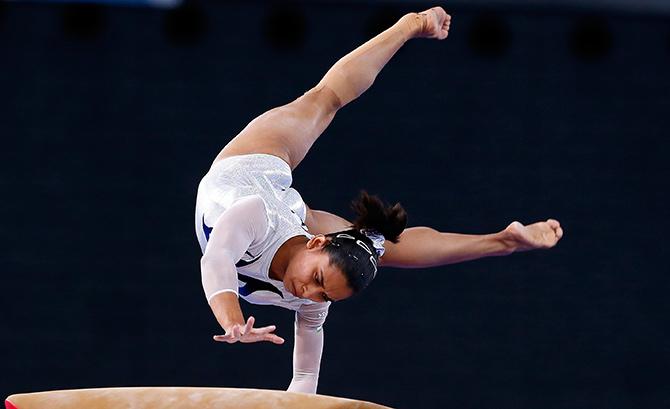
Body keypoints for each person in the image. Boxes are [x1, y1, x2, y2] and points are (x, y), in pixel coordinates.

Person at [194, 6, 563, 394]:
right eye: (317, 280)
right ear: (317, 242)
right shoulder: (254, 216)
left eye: (323, 293)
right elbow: (217, 258)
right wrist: (231, 321)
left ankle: (502, 241)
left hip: (291, 216)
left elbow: (304, 378)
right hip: (253, 168)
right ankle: (409, 25)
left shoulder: (319, 294)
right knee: (324, 98)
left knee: (376, 251)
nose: (308, 294)